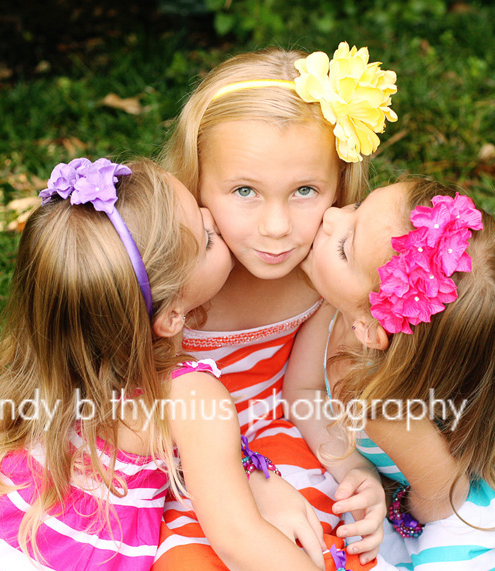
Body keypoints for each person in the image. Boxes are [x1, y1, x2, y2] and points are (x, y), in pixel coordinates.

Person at [0, 157, 329, 570]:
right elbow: (239, 538)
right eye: (208, 239)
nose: (211, 216)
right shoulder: (191, 393)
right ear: (172, 316)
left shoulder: (62, 352)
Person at [155, 42, 398, 569]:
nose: (276, 226)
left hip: (280, 439)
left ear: (339, 188)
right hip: (173, 462)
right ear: (196, 181)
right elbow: (135, 406)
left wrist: (354, 468)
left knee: (331, 545)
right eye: (245, 191)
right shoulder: (174, 280)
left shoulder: (316, 280)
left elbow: (303, 392)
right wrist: (250, 483)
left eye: (305, 190)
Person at [288, 176, 495, 570]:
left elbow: (441, 494)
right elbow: (303, 390)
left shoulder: (382, 409)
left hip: (455, 511)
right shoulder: (347, 309)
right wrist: (354, 466)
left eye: (343, 246)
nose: (332, 216)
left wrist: (396, 507)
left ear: (371, 330)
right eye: (357, 209)